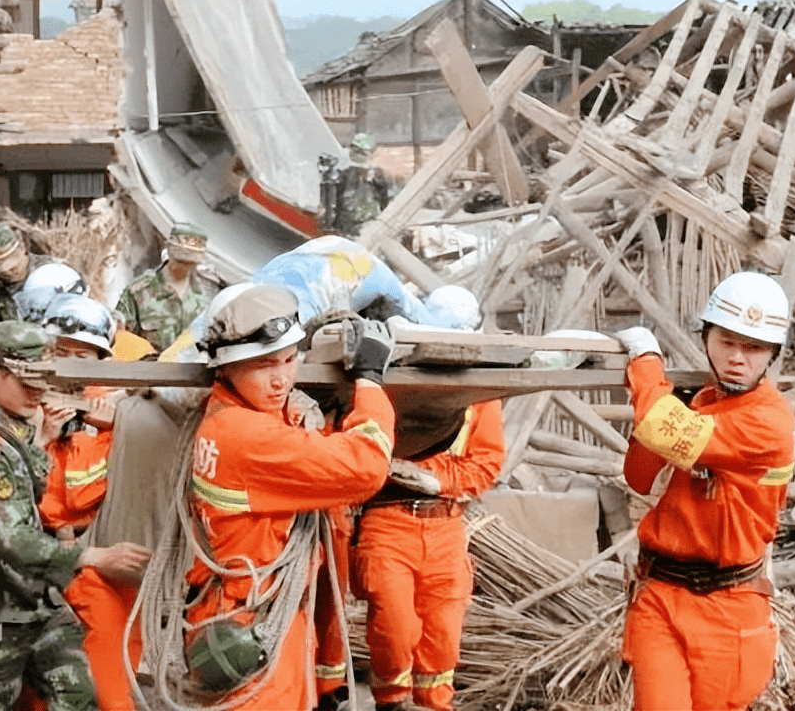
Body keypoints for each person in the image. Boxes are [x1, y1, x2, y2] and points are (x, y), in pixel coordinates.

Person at [183, 284, 397, 709]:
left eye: (289, 359)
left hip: (252, 619)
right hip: (253, 626)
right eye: (264, 365)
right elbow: (365, 467)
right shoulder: (245, 437)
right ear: (225, 366)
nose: (281, 379)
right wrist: (370, 383)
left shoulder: (227, 414)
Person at [0, 320, 151, 711]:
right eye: (26, 381)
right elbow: (14, 540)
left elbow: (32, 491)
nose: (37, 392)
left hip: (30, 599)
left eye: (42, 380)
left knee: (78, 691)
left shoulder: (10, 428)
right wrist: (94, 556)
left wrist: (45, 437)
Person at [613, 271, 795, 711]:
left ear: (772, 354)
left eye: (752, 347)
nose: (737, 358)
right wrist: (663, 408)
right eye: (727, 341)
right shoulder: (700, 404)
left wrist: (645, 364)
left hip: (729, 607)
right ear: (706, 337)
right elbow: (638, 476)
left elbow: (662, 429)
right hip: (660, 594)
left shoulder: (770, 422)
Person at [350, 292, 504, 711]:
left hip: (446, 527)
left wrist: (434, 481)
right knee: (393, 627)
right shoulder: (391, 380)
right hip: (388, 521)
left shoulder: (481, 393)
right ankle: (392, 702)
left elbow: (486, 464)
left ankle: (436, 703)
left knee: (443, 633)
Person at [36, 295, 146, 711]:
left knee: (124, 655)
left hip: (110, 556)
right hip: (67, 562)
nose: (70, 364)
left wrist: (99, 422)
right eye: (61, 352)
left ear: (101, 357)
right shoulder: (38, 405)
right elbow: (59, 500)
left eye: (81, 355)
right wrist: (48, 435)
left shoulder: (115, 408)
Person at [162, 236, 478, 363]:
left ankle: (166, 371)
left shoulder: (367, 270)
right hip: (293, 297)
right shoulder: (386, 285)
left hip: (267, 285)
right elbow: (423, 327)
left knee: (200, 341)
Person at [115, 223, 219, 353]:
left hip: (196, 371)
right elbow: (120, 339)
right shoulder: (139, 291)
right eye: (181, 257)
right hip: (148, 371)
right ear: (169, 247)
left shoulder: (208, 297)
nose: (183, 264)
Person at [0, 221, 57, 323]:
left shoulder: (51, 272)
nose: (12, 269)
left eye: (15, 259)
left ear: (23, 249)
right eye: (2, 266)